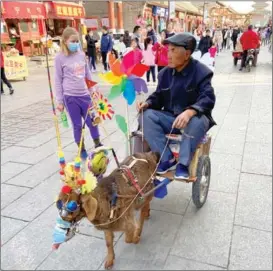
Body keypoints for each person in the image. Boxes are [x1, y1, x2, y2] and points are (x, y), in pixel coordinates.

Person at [137, 33, 216, 179]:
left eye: (173, 50)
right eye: (168, 50)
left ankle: (183, 164)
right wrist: (148, 103)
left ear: (187, 54)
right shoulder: (164, 74)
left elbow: (208, 98)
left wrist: (190, 112)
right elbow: (158, 96)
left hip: (194, 121)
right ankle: (167, 159)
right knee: (145, 116)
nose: (168, 55)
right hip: (171, 119)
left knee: (198, 120)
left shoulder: (202, 72)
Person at [54, 27, 102, 160]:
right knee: (77, 125)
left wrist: (93, 90)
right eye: (73, 41)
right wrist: (59, 101)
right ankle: (81, 148)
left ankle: (98, 143)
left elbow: (87, 74)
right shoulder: (59, 58)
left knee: (92, 121)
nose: (75, 43)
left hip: (85, 95)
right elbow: (58, 80)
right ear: (65, 41)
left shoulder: (81, 54)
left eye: (77, 41)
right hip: (70, 97)